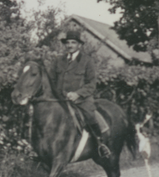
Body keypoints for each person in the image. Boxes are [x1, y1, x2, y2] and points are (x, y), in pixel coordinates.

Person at [47, 30, 111, 158]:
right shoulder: (58, 61)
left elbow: (92, 84)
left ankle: (100, 144)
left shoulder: (87, 61)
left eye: (73, 42)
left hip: (81, 100)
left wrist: (77, 94)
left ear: (79, 45)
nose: (70, 45)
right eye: (68, 43)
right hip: (60, 100)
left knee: (90, 115)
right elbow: (51, 80)